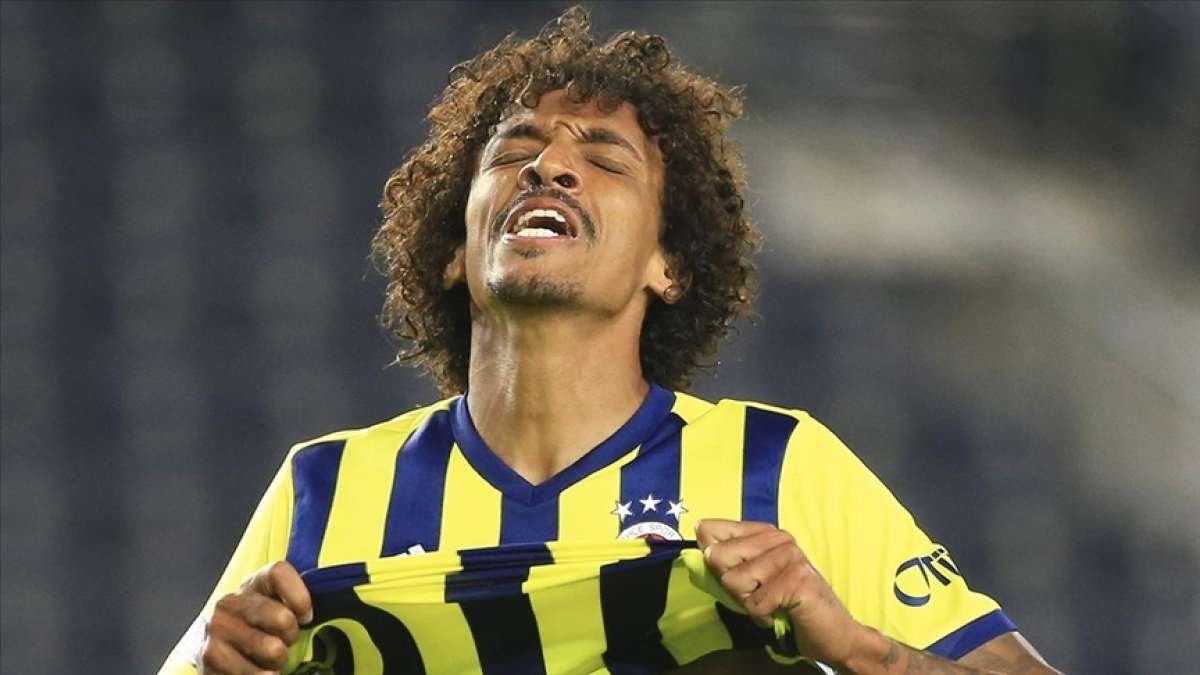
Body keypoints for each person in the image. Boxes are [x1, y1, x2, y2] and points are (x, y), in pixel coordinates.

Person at [161, 7, 1060, 674]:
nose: (549, 164)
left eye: (603, 158)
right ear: (454, 252)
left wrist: (856, 648)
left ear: (668, 264)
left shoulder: (779, 467)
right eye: (513, 151)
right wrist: (217, 657)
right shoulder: (323, 491)